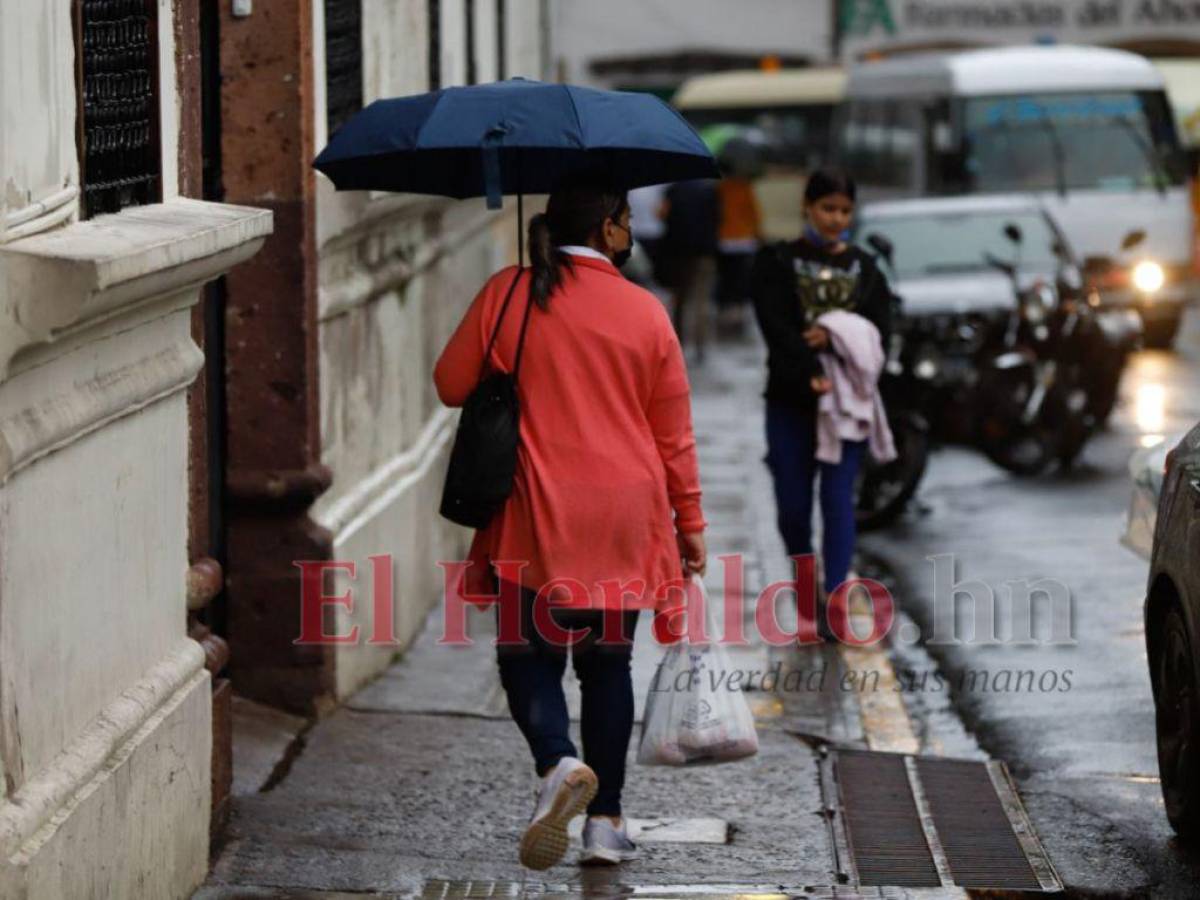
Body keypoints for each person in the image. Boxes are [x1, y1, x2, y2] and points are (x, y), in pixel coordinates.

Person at [433, 180, 708, 870]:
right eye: (625, 219)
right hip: (624, 513)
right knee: (608, 666)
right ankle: (606, 823)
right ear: (611, 230)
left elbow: (449, 383)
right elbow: (673, 436)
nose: (629, 229)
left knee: (526, 657)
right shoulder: (646, 312)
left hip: (534, 507)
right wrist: (691, 524)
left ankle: (557, 763)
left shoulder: (509, 292)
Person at [750, 169, 892, 636]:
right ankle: (803, 579)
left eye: (845, 210)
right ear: (808, 208)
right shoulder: (777, 262)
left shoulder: (867, 270)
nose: (836, 219)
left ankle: (833, 600)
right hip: (790, 402)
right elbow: (775, 326)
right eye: (828, 208)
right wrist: (808, 369)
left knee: (837, 502)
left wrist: (834, 334)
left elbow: (879, 333)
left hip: (846, 406)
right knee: (792, 508)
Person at [661, 178, 720, 362]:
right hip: (704, 252)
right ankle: (700, 346)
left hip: (678, 252)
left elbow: (663, 215)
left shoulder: (673, 189)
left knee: (681, 299)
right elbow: (718, 219)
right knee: (701, 300)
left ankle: (679, 344)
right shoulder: (710, 191)